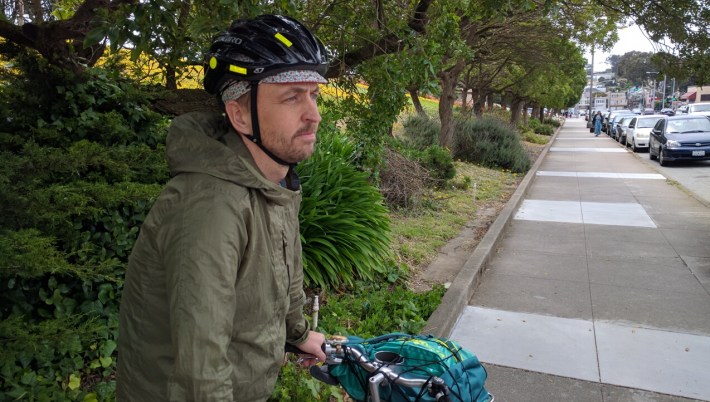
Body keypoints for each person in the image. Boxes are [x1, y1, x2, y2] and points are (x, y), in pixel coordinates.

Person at [117, 15, 329, 401]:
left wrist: (297, 334)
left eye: (314, 94)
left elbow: (285, 272)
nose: (314, 114)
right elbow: (200, 373)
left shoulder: (272, 181)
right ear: (240, 115)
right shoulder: (210, 208)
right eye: (292, 96)